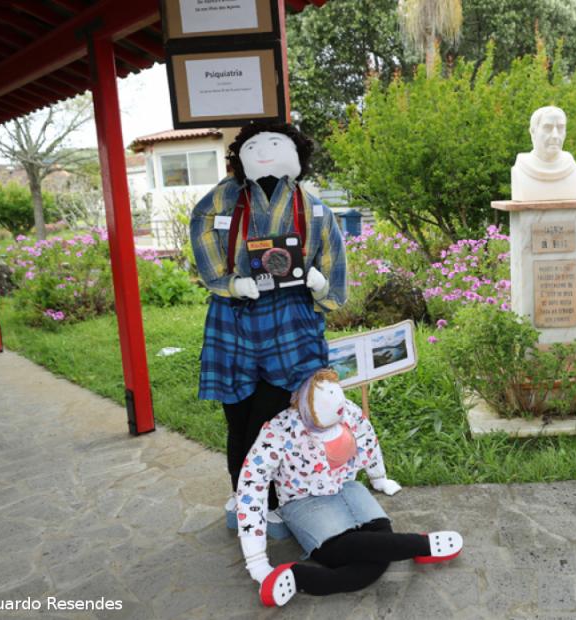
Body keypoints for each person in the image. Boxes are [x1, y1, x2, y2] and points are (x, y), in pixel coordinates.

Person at [190, 121, 347, 536]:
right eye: (254, 146)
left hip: (290, 322)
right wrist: (227, 282)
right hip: (234, 318)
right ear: (239, 157)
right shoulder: (224, 200)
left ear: (297, 157)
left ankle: (271, 498)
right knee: (237, 418)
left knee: (273, 419)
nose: (264, 151)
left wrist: (320, 283)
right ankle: (243, 495)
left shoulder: (314, 208)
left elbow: (333, 271)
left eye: (276, 144)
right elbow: (201, 226)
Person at [237, 369, 464, 607]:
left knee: (380, 544)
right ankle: (420, 545)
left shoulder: (346, 409)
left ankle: (299, 577)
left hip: (347, 488)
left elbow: (367, 437)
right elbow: (251, 486)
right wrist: (256, 561)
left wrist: (378, 477)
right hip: (304, 499)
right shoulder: (278, 431)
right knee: (341, 551)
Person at [510, 106, 576, 201]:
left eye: (560, 128)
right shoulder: (522, 167)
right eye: (547, 128)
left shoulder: (571, 167)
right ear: (533, 132)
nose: (555, 135)